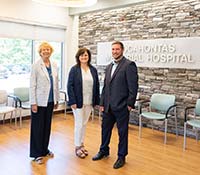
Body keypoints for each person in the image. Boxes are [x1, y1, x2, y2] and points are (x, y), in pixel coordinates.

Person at [92, 41, 138, 169]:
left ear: (122, 50)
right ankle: (104, 150)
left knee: (122, 133)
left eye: (117, 49)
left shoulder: (129, 65)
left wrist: (129, 104)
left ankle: (121, 156)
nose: (115, 51)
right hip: (107, 106)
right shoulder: (109, 66)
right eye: (113, 49)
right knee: (105, 130)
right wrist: (101, 103)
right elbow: (106, 87)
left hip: (122, 106)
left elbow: (133, 87)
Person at [30, 42, 59, 164]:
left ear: (51, 51)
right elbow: (32, 85)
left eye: (48, 49)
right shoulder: (36, 65)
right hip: (39, 101)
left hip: (51, 100)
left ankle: (44, 149)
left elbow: (56, 83)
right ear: (40, 52)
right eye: (43, 50)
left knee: (47, 127)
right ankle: (36, 153)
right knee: (37, 128)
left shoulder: (54, 64)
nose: (46, 51)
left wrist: (57, 99)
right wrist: (33, 102)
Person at [67, 47, 100, 159]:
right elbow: (69, 86)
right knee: (79, 123)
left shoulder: (93, 70)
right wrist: (72, 101)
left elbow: (96, 86)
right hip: (78, 102)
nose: (84, 57)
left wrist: (97, 101)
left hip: (89, 101)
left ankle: (81, 144)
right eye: (82, 55)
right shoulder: (74, 69)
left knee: (84, 123)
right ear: (78, 57)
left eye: (86, 55)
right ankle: (77, 146)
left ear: (89, 57)